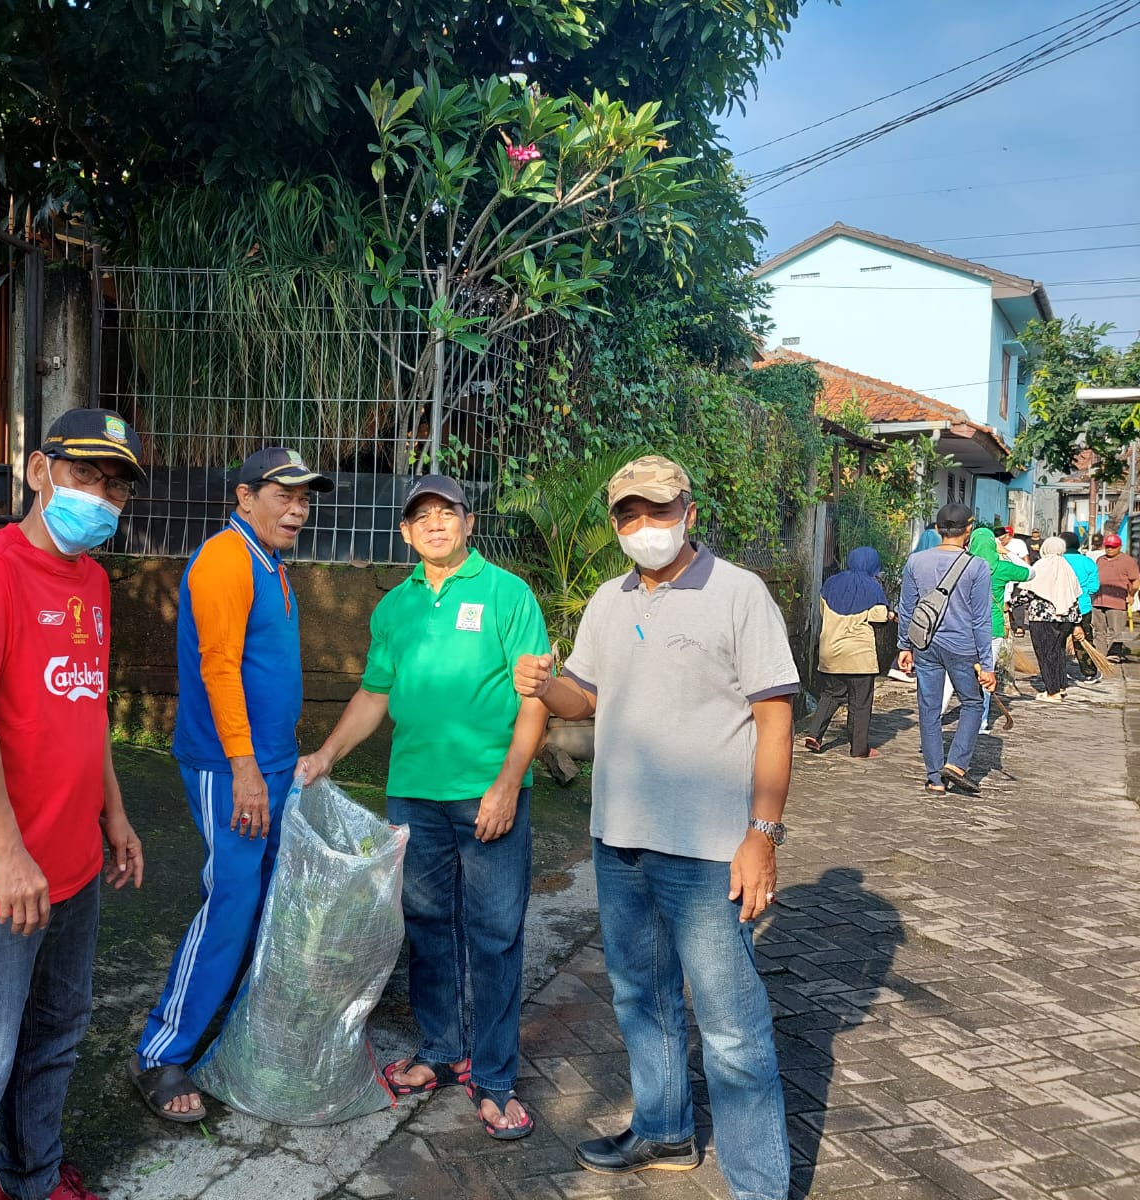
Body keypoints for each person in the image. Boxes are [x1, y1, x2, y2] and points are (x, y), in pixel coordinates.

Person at [513, 455, 797, 1199]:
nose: (646, 528)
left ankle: (759, 1184)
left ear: (690, 512)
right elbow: (589, 701)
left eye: (659, 511)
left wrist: (761, 835)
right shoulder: (609, 602)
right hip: (621, 837)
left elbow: (775, 720)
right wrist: (549, 687)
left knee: (732, 1026)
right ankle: (666, 1130)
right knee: (642, 995)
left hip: (709, 848)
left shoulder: (741, 594)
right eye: (630, 515)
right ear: (616, 524)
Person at [0, 409, 147, 1200]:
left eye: (116, 487)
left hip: (71, 871)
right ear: (40, 471)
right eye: (86, 476)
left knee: (52, 1041)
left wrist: (113, 813)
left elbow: (88, 709)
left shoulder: (95, 582)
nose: (102, 498)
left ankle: (30, 1180)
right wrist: (8, 854)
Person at [296, 474, 550, 1140]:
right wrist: (325, 756)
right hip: (414, 792)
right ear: (405, 533)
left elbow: (535, 698)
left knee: (495, 936)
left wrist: (507, 784)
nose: (435, 524)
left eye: (447, 513)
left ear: (468, 522)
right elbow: (375, 694)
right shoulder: (394, 608)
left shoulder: (507, 594)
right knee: (429, 928)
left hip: (488, 794)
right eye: (421, 517)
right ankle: (442, 1051)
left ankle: (494, 1077)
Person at [131, 446, 334, 1122]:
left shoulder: (270, 562)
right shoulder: (225, 557)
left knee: (264, 901)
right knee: (231, 902)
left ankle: (239, 1032)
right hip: (231, 768)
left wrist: (281, 757)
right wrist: (245, 768)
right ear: (244, 497)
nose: (299, 509)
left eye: (306, 498)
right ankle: (162, 1050)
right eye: (285, 495)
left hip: (270, 762)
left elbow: (261, 669)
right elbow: (218, 667)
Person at [896, 503, 995, 796]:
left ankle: (934, 779)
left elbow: (906, 608)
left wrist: (904, 645)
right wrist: (987, 664)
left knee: (929, 709)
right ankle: (956, 763)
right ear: (969, 529)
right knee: (973, 703)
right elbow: (981, 620)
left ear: (938, 529)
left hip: (924, 645)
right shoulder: (977, 566)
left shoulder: (916, 561)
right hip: (962, 647)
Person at [801, 546, 888, 758]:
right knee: (860, 701)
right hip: (859, 657)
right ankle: (859, 748)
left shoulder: (830, 583)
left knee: (831, 694)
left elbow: (823, 610)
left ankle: (814, 734)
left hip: (830, 653)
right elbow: (880, 616)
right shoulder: (873, 588)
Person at [967, 526, 1029, 727]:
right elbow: (1031, 572)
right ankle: (982, 721)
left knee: (952, 677)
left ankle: (936, 717)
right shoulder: (1002, 567)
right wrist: (1006, 552)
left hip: (964, 629)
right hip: (992, 628)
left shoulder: (963, 565)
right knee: (987, 673)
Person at [1020, 537, 1084, 703]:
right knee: (1058, 652)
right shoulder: (1067, 568)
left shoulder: (1040, 566)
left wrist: (1008, 605)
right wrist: (1077, 623)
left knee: (1045, 653)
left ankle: (1052, 691)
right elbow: (1075, 598)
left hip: (1042, 619)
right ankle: (1061, 686)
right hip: (1066, 619)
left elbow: (1027, 593)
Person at [1061, 530, 1101, 681]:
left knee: (1058, 641)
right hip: (1082, 607)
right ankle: (1090, 672)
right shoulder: (1088, 562)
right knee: (1084, 640)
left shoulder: (1058, 561)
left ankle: (1058, 671)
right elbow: (1094, 587)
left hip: (1060, 607)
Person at [1094, 533, 1140, 661]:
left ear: (1120, 546)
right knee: (1099, 631)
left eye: (1113, 546)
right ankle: (1100, 656)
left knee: (1116, 631)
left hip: (1117, 602)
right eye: (1108, 546)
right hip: (1098, 600)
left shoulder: (1128, 561)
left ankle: (1113, 654)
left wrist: (1131, 595)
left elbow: (1135, 581)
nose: (1110, 549)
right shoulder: (1100, 560)